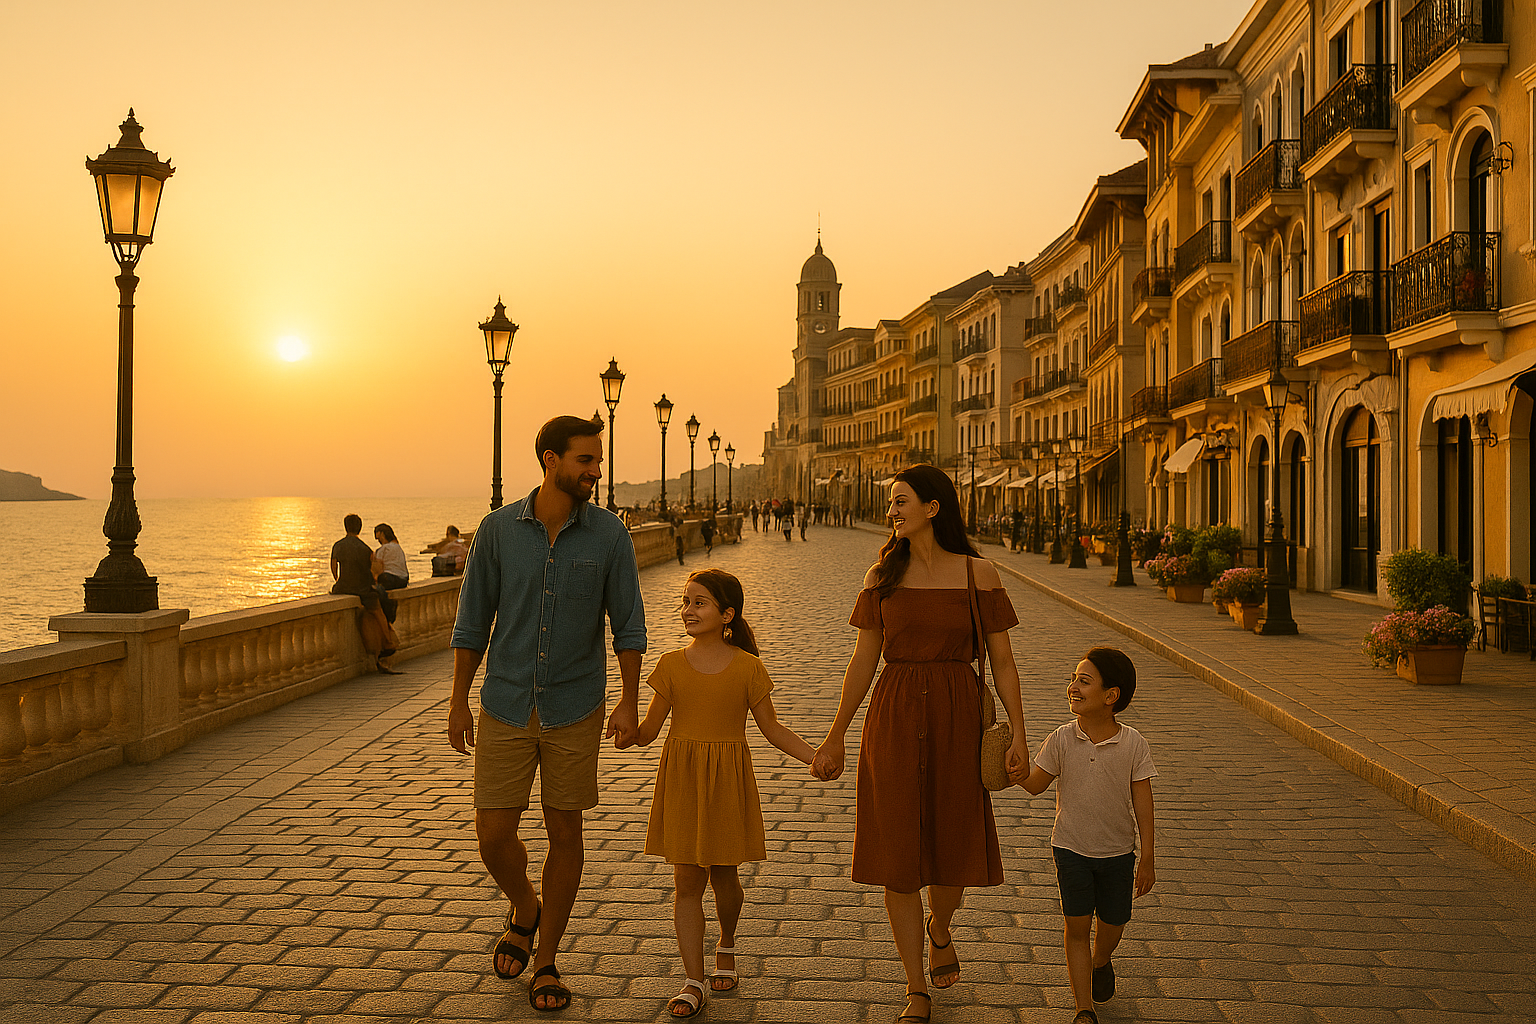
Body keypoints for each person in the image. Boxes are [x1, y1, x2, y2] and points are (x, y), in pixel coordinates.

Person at [811, 465, 1029, 1024]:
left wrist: (1019, 731)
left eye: (901, 500)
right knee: (898, 854)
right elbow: (862, 661)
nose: (892, 510)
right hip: (895, 713)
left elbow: (1002, 662)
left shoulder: (979, 573)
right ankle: (915, 987)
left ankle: (940, 925)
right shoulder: (881, 575)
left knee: (954, 846)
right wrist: (836, 733)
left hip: (959, 713)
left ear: (934, 507)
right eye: (890, 503)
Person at [447, 415, 647, 1013]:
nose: (595, 470)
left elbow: (628, 623)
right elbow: (472, 619)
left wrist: (630, 699)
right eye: (585, 460)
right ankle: (525, 906)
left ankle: (548, 959)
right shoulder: (497, 530)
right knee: (493, 834)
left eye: (598, 459)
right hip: (505, 700)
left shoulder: (610, 535)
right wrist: (458, 697)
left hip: (576, 704)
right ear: (549, 459)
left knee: (566, 833)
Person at [636, 569, 818, 1018]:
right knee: (686, 884)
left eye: (699, 603)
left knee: (725, 879)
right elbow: (648, 731)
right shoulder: (670, 665)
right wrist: (625, 729)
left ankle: (728, 941)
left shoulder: (747, 667)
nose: (688, 611)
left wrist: (815, 757)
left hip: (725, 782)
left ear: (727, 614)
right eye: (685, 602)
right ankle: (693, 980)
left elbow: (772, 728)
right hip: (683, 780)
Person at [1013, 647, 1156, 1024]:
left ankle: (1101, 959)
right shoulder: (1061, 738)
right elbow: (1034, 785)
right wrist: (1008, 765)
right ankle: (1084, 1009)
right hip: (1070, 848)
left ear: (1112, 696)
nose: (1073, 687)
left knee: (1114, 923)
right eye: (1073, 679)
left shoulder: (1133, 744)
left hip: (1118, 853)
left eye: (1083, 681)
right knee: (1076, 927)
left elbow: (1143, 801)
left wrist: (1148, 857)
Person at [331, 514, 401, 674]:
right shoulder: (365, 549)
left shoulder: (338, 545)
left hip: (343, 587)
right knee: (378, 612)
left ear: (345, 527)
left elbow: (334, 567)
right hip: (363, 588)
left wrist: (338, 581)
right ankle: (388, 643)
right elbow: (373, 570)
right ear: (360, 528)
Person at [373, 523, 409, 623]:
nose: (378, 540)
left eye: (377, 536)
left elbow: (378, 570)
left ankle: (389, 608)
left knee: (379, 582)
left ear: (381, 534)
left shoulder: (382, 549)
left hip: (390, 579)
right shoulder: (398, 547)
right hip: (403, 580)